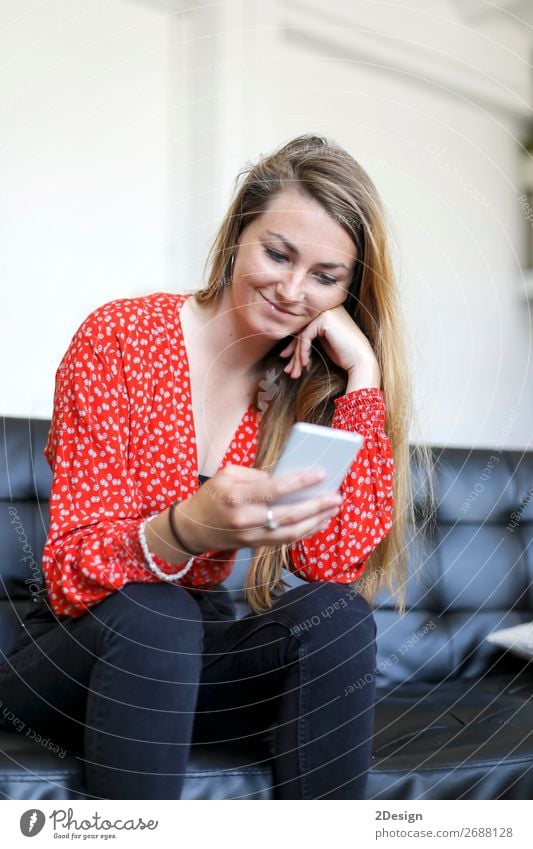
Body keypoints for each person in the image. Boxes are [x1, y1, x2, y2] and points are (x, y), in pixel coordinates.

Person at [0, 134, 433, 800]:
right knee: (157, 610)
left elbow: (331, 563)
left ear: (349, 289)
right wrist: (180, 530)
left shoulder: (307, 384)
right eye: (277, 253)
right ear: (238, 235)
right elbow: (66, 574)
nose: (292, 290)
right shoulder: (120, 337)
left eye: (324, 276)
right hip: (76, 653)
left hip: (191, 662)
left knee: (336, 616)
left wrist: (362, 378)